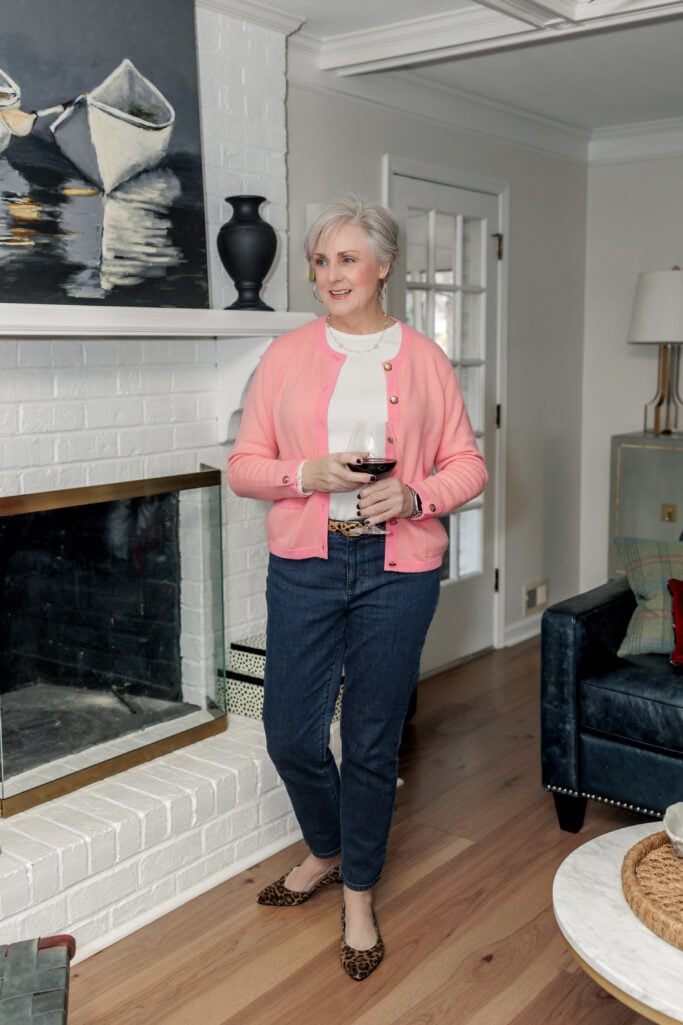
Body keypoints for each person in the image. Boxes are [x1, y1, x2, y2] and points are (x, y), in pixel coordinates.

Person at [228, 195, 487, 981]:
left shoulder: (425, 360)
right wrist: (299, 474)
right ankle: (328, 847)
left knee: (371, 741)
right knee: (290, 732)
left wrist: (416, 497)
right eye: (319, 259)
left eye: (346, 257)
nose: (330, 273)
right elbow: (242, 467)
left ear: (382, 265)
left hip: (395, 572)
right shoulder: (284, 355)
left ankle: (357, 892)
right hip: (306, 563)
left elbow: (467, 465)